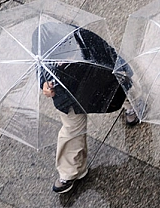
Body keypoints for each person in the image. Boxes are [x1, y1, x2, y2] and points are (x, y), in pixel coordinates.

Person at [34, 22, 138, 194]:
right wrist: (44, 85)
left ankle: (133, 105)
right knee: (71, 130)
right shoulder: (40, 41)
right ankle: (70, 172)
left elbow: (109, 57)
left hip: (95, 80)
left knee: (118, 92)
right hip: (67, 96)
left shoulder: (81, 38)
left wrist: (123, 73)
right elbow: (40, 69)